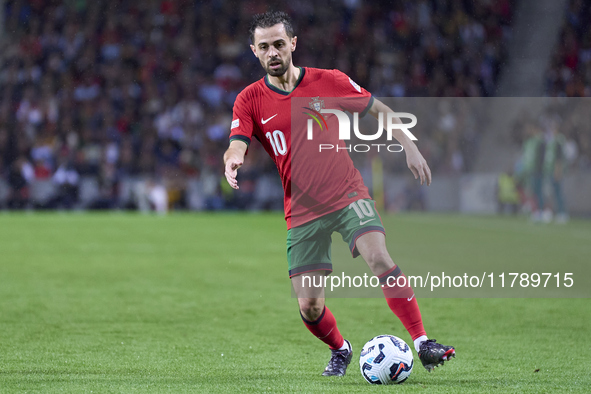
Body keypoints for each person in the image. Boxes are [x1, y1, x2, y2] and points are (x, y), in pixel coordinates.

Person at [223, 11, 455, 377]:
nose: (273, 52)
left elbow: (378, 109)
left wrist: (409, 146)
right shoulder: (249, 99)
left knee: (378, 257)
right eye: (264, 46)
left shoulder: (328, 81)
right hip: (301, 210)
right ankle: (341, 349)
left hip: (347, 195)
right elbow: (237, 142)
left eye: (279, 44)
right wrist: (233, 160)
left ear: (293, 44)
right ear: (254, 51)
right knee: (310, 307)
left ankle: (423, 342)